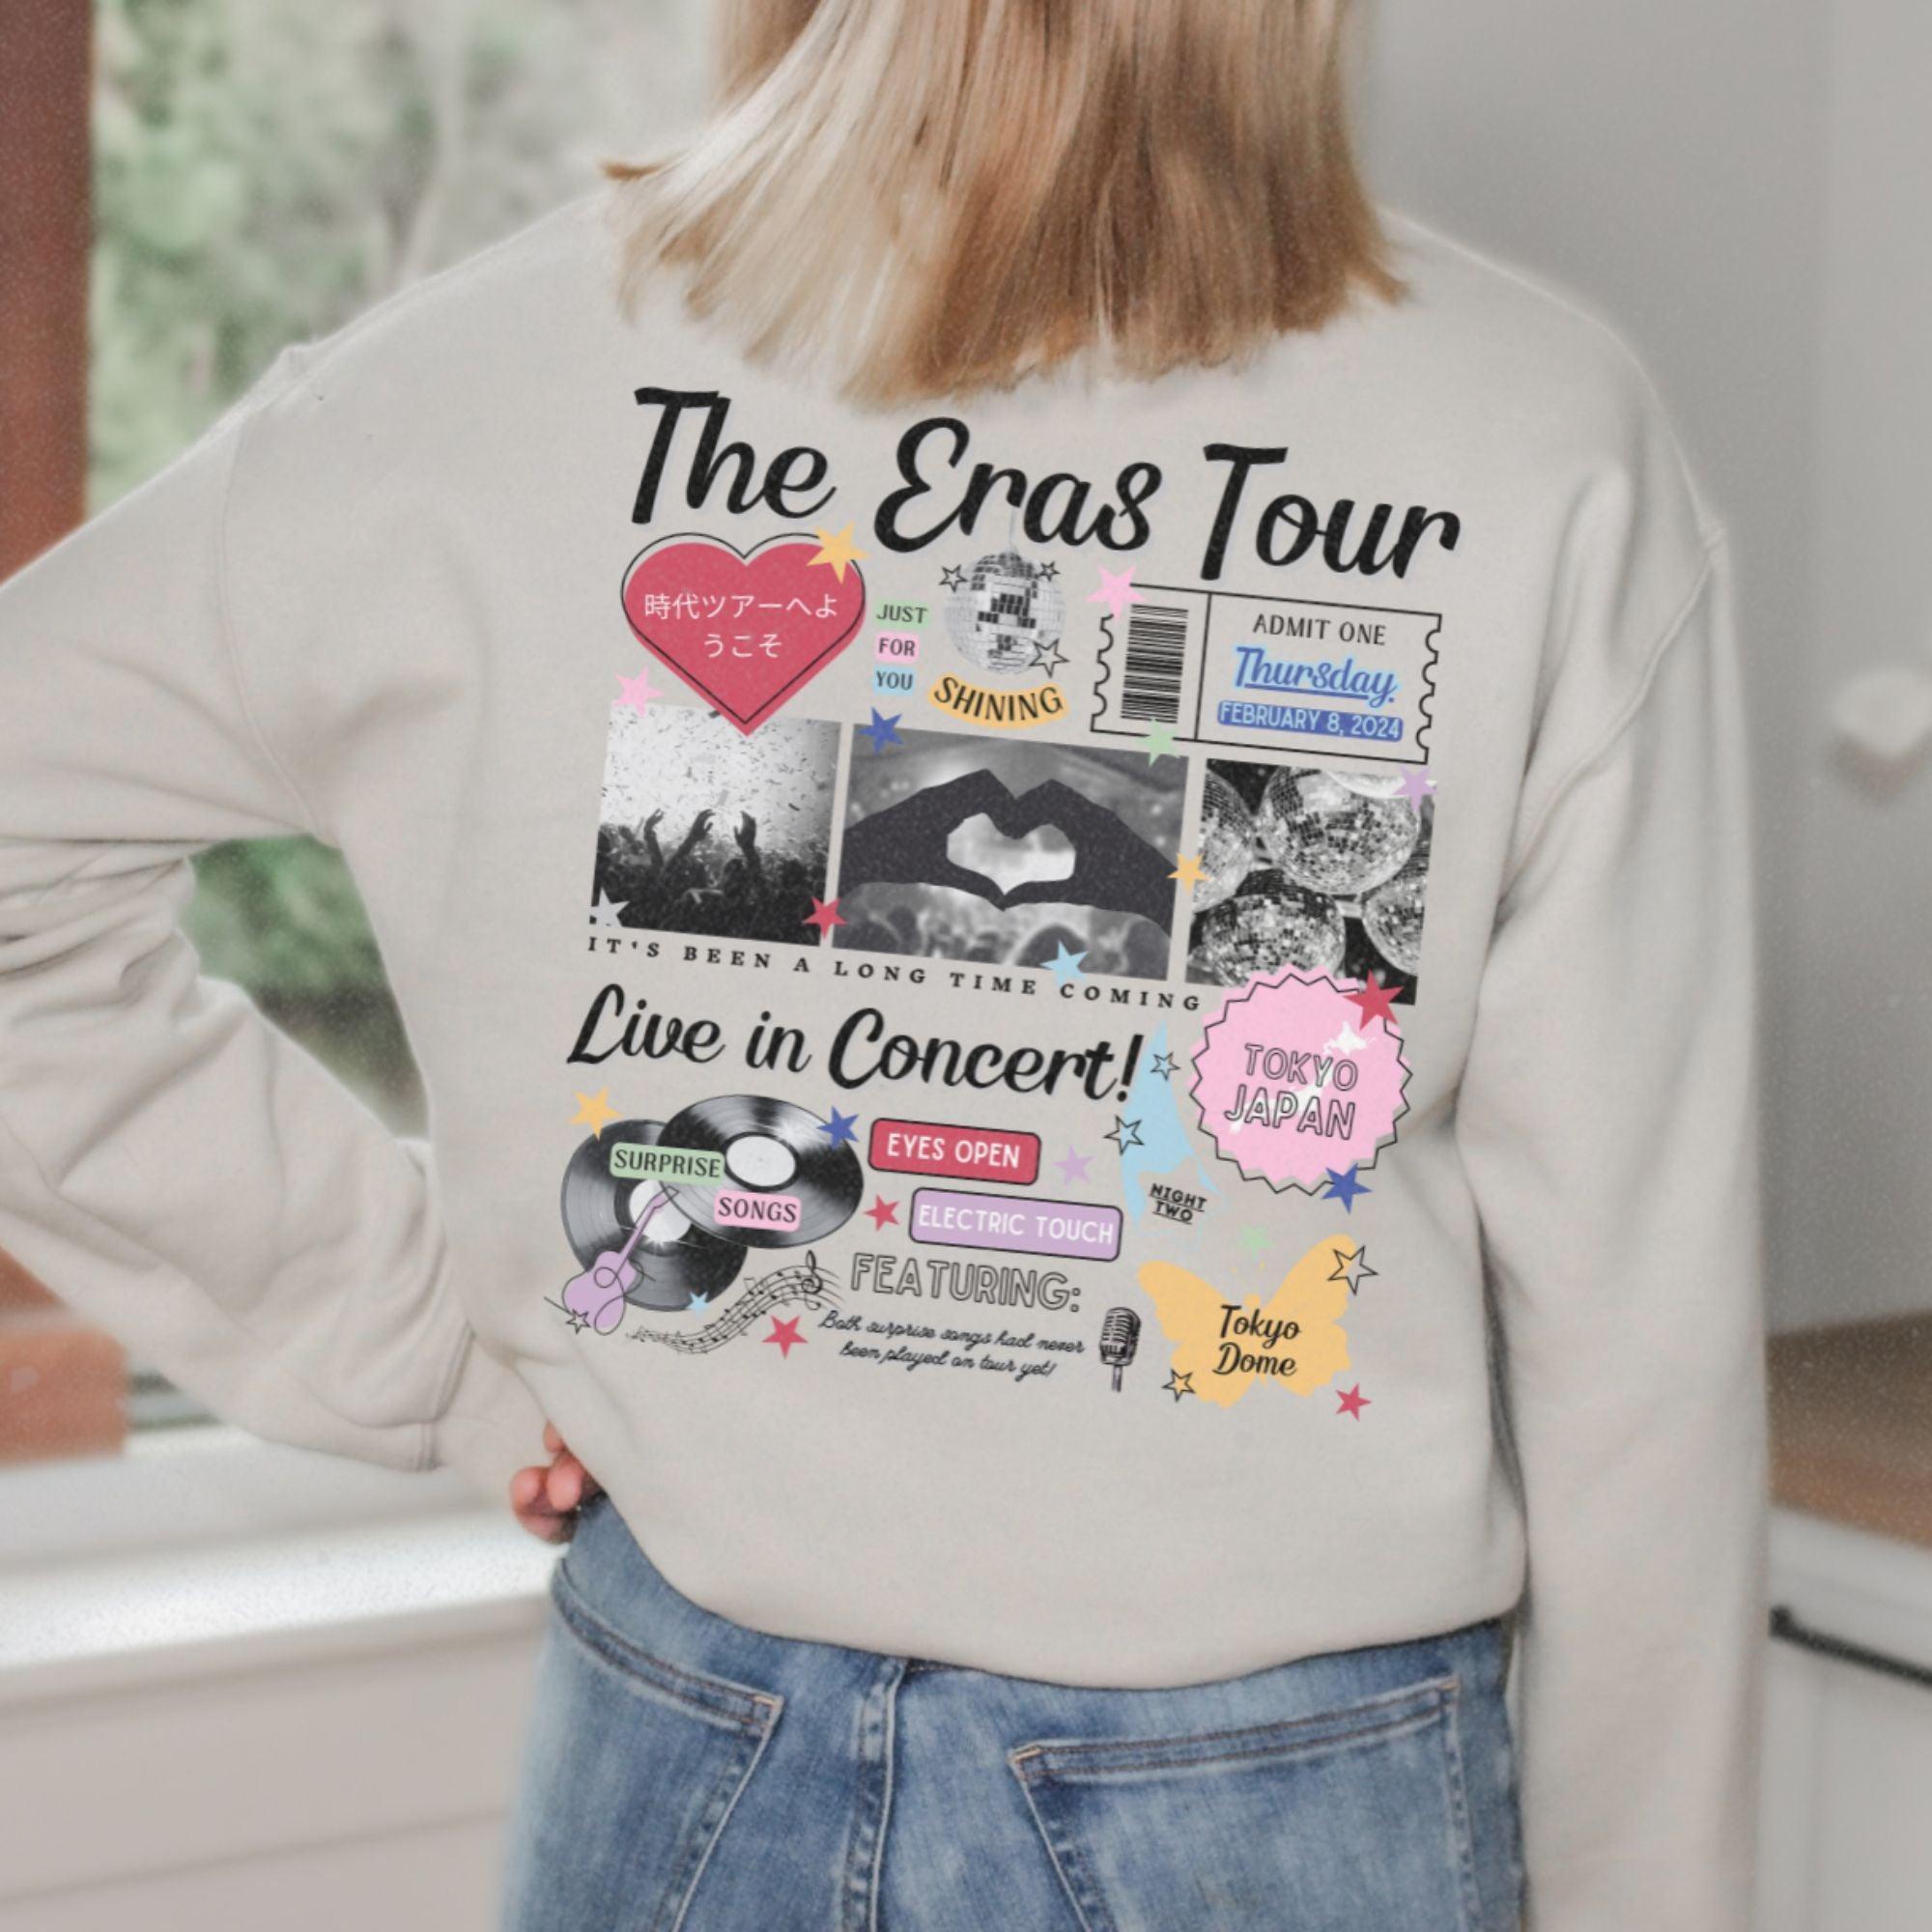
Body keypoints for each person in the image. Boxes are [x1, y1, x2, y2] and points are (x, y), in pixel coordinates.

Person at [0, 2, 1766, 1928]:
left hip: (692, 1730)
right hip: (1258, 1792)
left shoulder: (472, 381)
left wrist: (426, 1338)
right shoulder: (1530, 432)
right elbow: (1637, 1324)